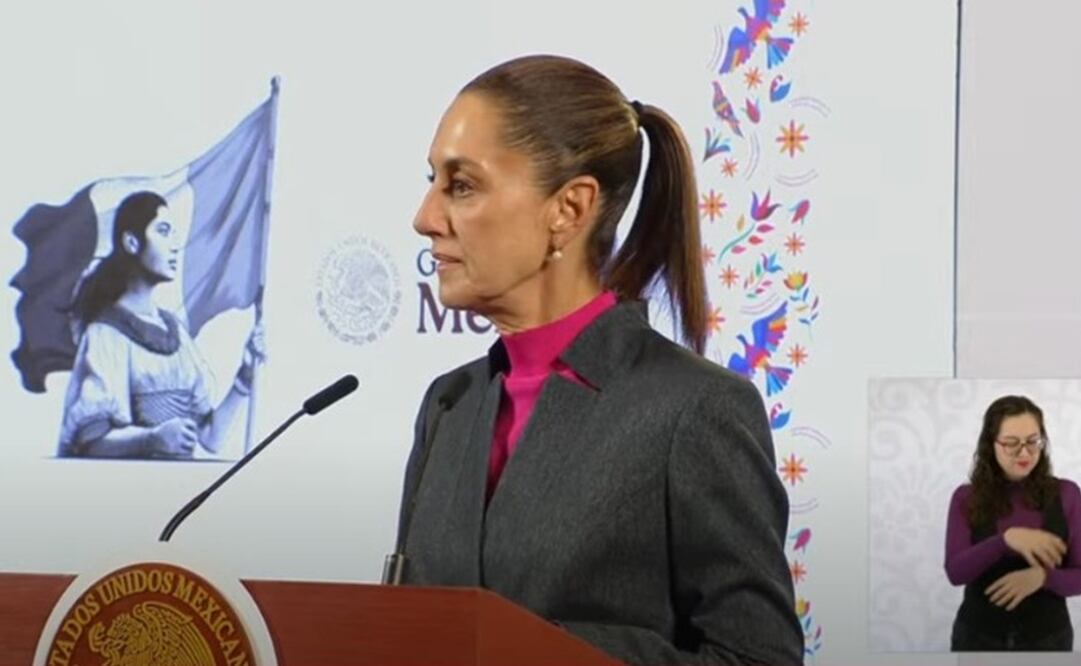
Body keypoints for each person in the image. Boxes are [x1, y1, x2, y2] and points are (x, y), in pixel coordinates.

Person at [395, 54, 803, 666]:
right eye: (432, 182)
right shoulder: (450, 405)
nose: (425, 218)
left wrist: (543, 650)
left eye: (461, 185)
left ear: (569, 208)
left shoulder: (695, 410)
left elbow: (758, 657)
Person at [58, 190, 263, 459]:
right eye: (163, 231)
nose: (175, 245)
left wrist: (244, 378)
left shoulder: (174, 331)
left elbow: (210, 438)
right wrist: (151, 439)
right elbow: (91, 441)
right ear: (132, 242)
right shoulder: (106, 334)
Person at [945, 395, 1080, 651]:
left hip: (1049, 640)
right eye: (1011, 443)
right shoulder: (965, 498)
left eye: (1033, 441)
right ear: (990, 444)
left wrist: (1043, 577)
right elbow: (955, 573)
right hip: (977, 638)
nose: (1025, 452)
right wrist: (1006, 540)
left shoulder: (1067, 494)